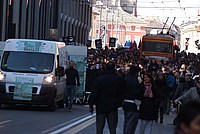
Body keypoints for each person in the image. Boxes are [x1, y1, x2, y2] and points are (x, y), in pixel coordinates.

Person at [88, 61, 126, 134]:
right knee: (112, 127)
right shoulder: (118, 78)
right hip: (113, 105)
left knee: (99, 127)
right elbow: (123, 88)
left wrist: (91, 104)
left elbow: (94, 92)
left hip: (101, 105)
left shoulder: (100, 78)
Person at [123, 65, 142, 134]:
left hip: (126, 102)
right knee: (131, 123)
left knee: (126, 121)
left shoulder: (126, 78)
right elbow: (137, 91)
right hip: (133, 103)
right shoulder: (135, 80)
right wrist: (140, 84)